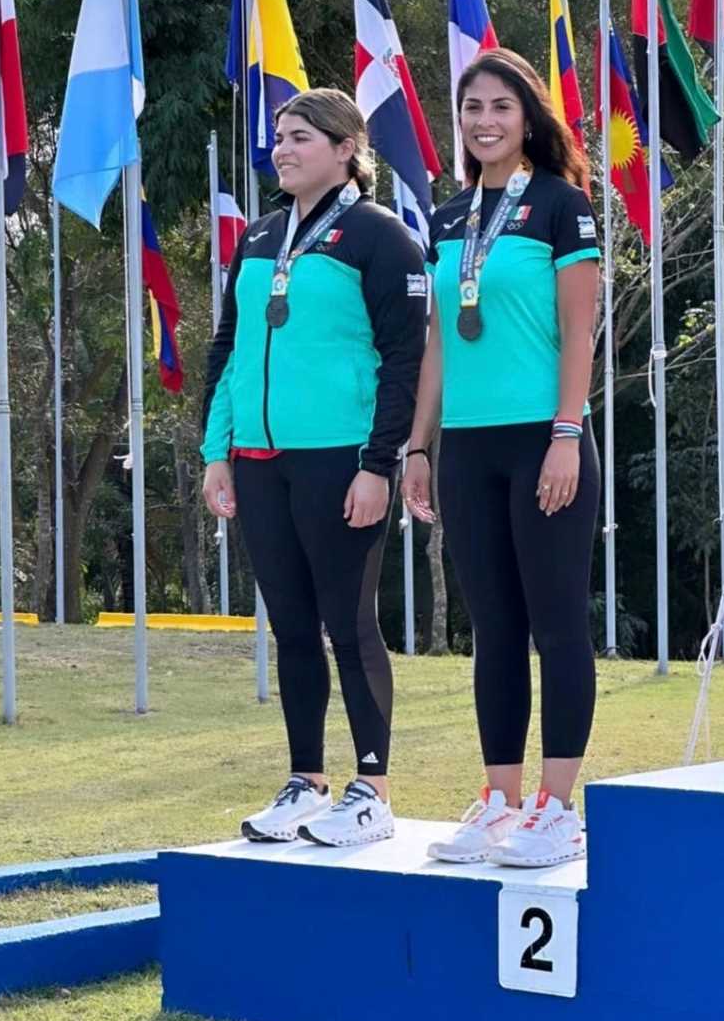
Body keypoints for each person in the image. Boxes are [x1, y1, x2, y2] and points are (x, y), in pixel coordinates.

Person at [201, 88, 426, 848]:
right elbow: (226, 349)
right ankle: (307, 780)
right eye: (278, 136)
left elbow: (406, 360)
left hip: (342, 459)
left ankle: (373, 788)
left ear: (344, 146)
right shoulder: (258, 238)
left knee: (347, 623)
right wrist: (216, 453)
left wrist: (378, 463)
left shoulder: (378, 236)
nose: (283, 149)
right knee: (292, 627)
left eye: (299, 137)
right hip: (260, 460)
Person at [402, 49, 601, 868]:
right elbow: (439, 345)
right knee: (494, 631)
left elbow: (580, 331)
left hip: (544, 439)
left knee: (556, 623)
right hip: (468, 449)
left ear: (529, 117)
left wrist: (566, 430)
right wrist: (418, 445)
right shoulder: (447, 221)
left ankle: (559, 808)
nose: (485, 121)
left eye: (502, 107)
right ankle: (500, 800)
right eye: (472, 107)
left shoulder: (562, 206)